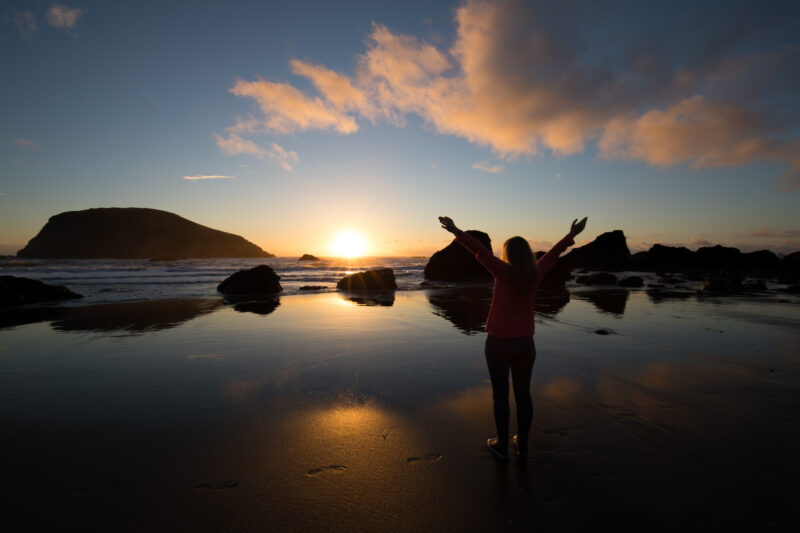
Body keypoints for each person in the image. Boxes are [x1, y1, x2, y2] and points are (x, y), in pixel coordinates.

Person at [438, 215, 587, 459]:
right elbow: (555, 253)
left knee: (500, 396)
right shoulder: (536, 273)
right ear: (528, 254)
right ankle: (523, 444)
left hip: (497, 344)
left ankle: (501, 444)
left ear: (508, 254)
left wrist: (455, 230)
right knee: (523, 394)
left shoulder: (502, 271)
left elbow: (479, 249)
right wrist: (572, 235)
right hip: (525, 345)